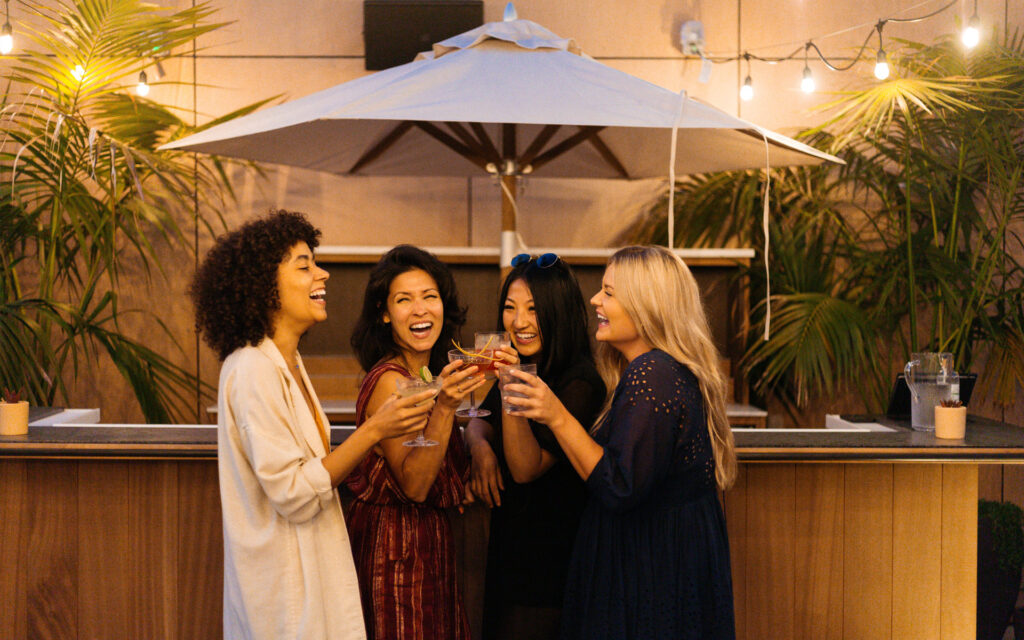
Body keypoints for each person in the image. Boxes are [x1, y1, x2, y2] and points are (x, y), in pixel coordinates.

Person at [190, 210, 436, 640]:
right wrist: (375, 430)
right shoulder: (251, 368)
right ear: (263, 284)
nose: (321, 274)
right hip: (282, 597)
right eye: (304, 265)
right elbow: (292, 493)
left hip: (307, 584)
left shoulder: (288, 362)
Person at [503, 245, 738, 640]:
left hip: (650, 569)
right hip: (664, 558)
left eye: (609, 292)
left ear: (647, 305)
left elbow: (619, 485)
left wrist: (555, 414)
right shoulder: (656, 369)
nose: (595, 299)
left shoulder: (652, 373)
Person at [464, 253, 605, 640]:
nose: (519, 322)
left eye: (533, 309)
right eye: (510, 308)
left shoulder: (580, 382)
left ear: (558, 312)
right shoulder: (527, 364)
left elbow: (527, 468)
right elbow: (479, 421)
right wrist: (480, 450)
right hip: (510, 546)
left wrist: (510, 382)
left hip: (550, 558)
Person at [346, 244, 483, 640]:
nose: (421, 309)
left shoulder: (423, 373)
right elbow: (416, 484)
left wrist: (478, 445)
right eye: (404, 300)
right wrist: (446, 407)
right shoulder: (393, 380)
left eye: (430, 297)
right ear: (385, 314)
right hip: (397, 552)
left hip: (423, 545)